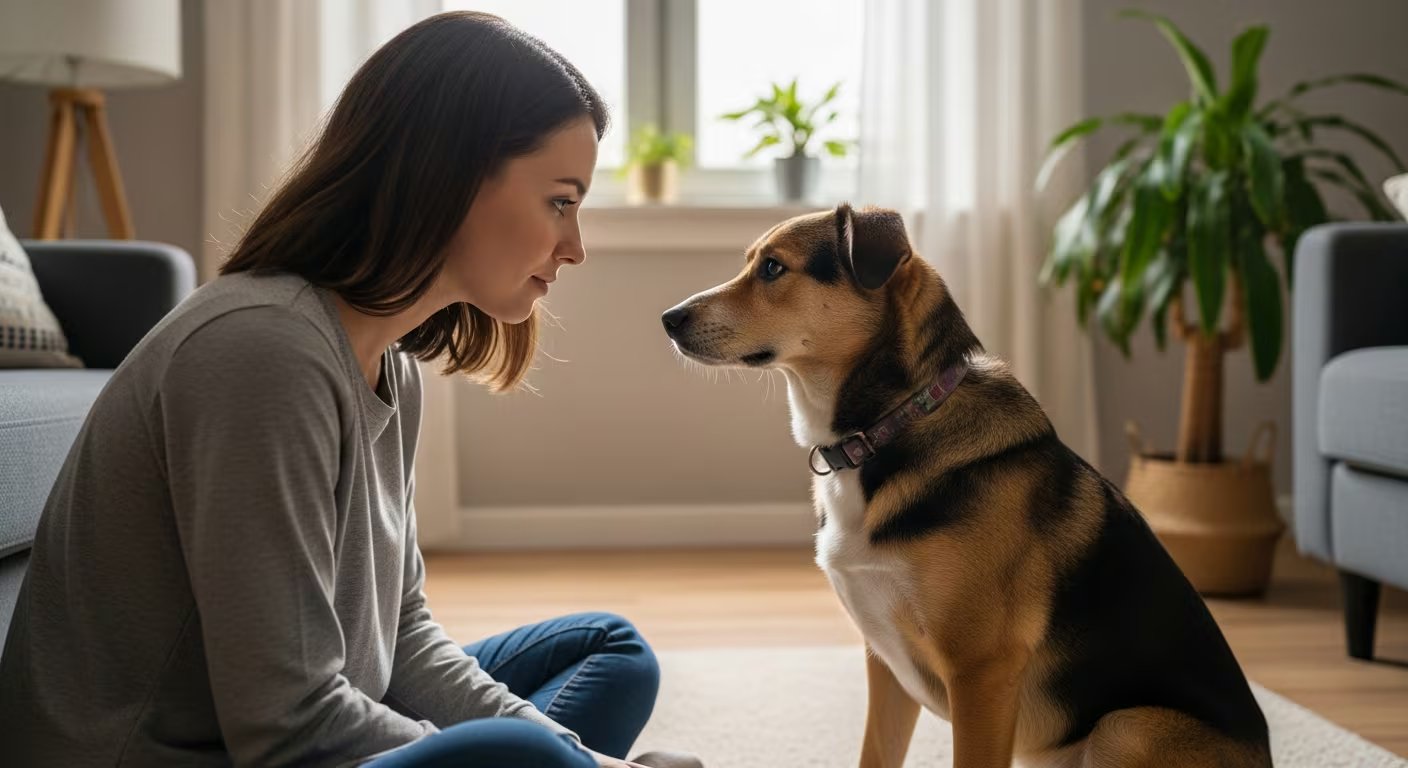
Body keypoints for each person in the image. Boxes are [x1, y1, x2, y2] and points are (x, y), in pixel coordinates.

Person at [0, 12, 698, 768]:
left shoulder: (390, 361)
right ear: (449, 176)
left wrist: (571, 756)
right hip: (187, 754)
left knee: (609, 654)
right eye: (560, 201)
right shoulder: (262, 351)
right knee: (523, 753)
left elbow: (401, 632)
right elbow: (286, 726)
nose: (576, 247)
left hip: (302, 721)